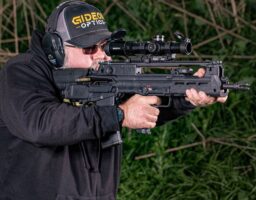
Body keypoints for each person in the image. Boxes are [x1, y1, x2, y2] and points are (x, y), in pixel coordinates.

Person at [0, 1, 226, 199]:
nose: (101, 55)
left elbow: (144, 102)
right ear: (55, 48)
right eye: (89, 48)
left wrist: (188, 96)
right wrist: (120, 114)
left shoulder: (101, 74)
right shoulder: (21, 73)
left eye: (105, 46)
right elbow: (40, 124)